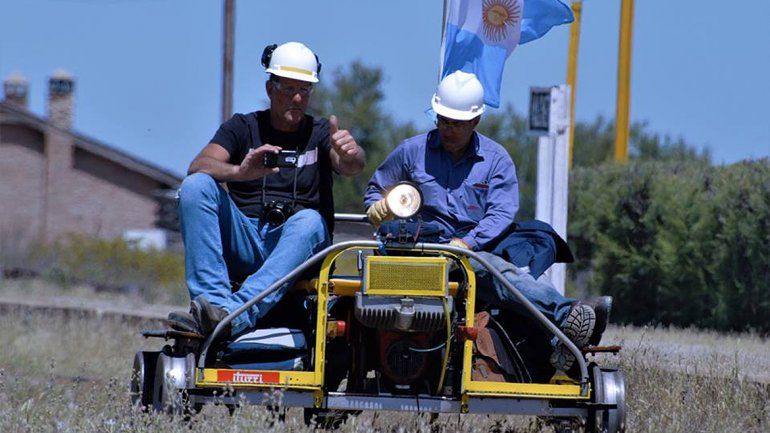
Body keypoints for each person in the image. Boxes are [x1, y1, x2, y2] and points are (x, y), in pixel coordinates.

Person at [364, 71, 610, 372]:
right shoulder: (411, 151)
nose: (447, 128)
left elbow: (501, 214)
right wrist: (376, 207)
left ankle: (569, 320)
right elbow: (377, 189)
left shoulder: (496, 160)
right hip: (417, 250)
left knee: (501, 273)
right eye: (442, 120)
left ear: (476, 122)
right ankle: (569, 319)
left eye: (456, 123)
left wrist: (466, 244)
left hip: (470, 254)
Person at [169, 42, 365, 339]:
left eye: (305, 90)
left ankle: (230, 318)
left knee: (311, 221)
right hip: (245, 237)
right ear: (270, 89)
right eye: (288, 90)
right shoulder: (242, 127)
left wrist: (350, 154)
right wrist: (239, 172)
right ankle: (212, 305)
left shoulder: (321, 132)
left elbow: (351, 165)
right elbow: (199, 164)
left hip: (297, 248)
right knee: (196, 186)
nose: (298, 99)